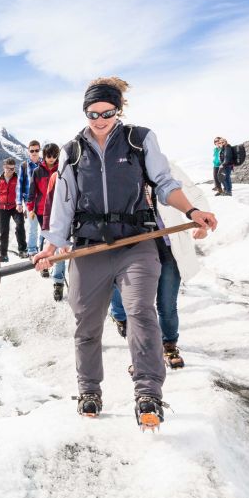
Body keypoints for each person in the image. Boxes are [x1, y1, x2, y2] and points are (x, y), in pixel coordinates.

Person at [32, 77, 218, 430]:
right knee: (86, 323)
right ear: (85, 112)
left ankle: (148, 393)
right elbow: (62, 204)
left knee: (140, 313)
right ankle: (89, 391)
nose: (100, 119)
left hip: (136, 243)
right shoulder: (72, 151)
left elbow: (164, 184)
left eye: (107, 112)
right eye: (92, 113)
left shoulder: (139, 139)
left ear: (118, 110)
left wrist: (193, 212)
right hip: (89, 249)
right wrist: (50, 246)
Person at [109, 163, 210, 369]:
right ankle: (136, 343)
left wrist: (202, 220)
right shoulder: (115, 171)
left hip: (167, 247)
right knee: (134, 304)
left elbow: (195, 196)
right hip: (134, 249)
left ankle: (169, 345)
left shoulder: (166, 167)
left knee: (166, 304)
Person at [27, 143, 64, 300]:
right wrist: (30, 208)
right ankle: (44, 265)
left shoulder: (62, 170)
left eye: (54, 155)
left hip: (60, 211)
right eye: (48, 155)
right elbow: (32, 191)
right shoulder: (37, 171)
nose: (51, 158)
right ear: (44, 155)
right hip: (42, 211)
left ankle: (58, 282)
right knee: (47, 240)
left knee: (60, 244)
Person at [0, 157, 27, 262]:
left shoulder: (18, 179)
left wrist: (26, 208)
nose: (10, 171)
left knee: (20, 226)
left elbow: (24, 194)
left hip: (16, 207)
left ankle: (23, 250)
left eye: (12, 169)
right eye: (8, 168)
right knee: (4, 231)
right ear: (4, 167)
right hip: (3, 208)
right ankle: (3, 254)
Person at [17, 141, 43, 256]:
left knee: (45, 228)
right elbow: (19, 184)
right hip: (30, 202)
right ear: (28, 151)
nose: (34, 153)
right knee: (33, 227)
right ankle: (32, 250)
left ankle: (43, 249)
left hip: (43, 202)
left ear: (39, 151)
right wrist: (19, 203)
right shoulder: (24, 166)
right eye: (32, 150)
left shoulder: (44, 165)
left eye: (36, 150)